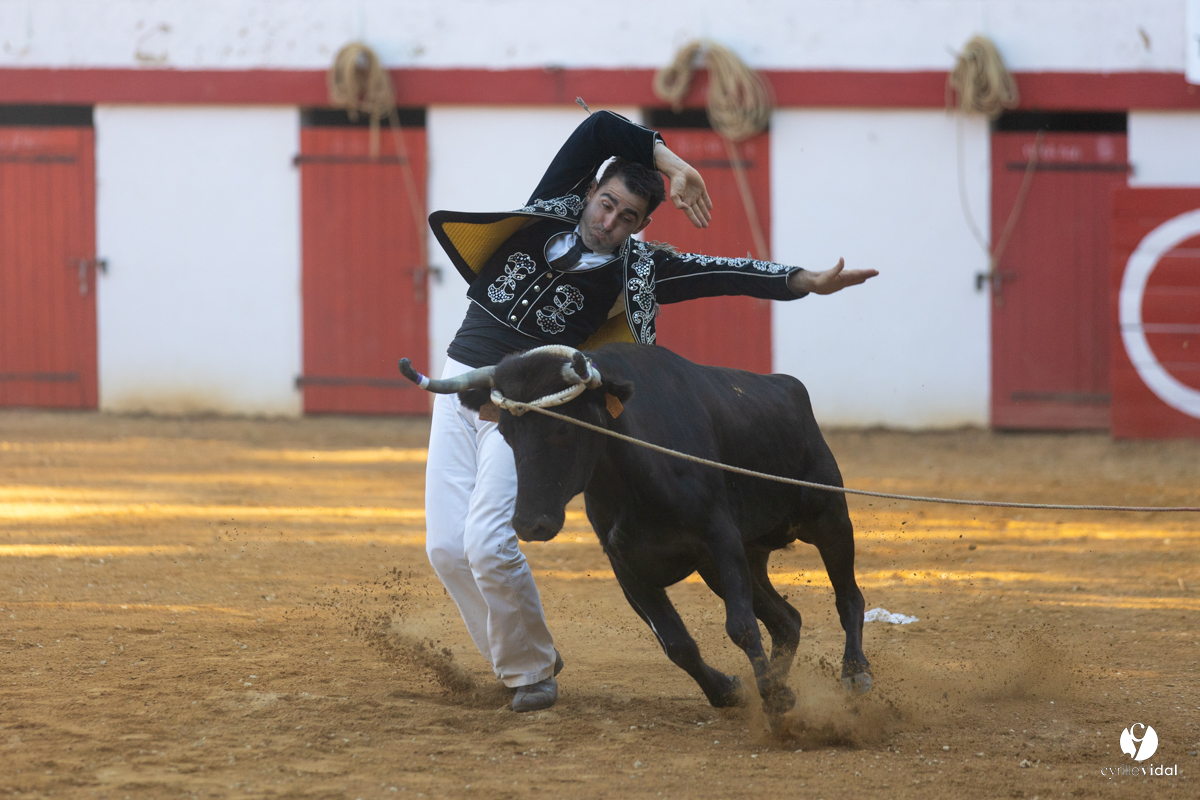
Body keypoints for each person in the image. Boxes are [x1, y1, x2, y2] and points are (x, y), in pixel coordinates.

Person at [422, 110, 876, 712]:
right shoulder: (548, 209)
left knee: (485, 542)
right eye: (605, 204)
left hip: (537, 409)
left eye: (626, 217)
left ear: (641, 226)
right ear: (590, 193)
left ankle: (529, 672)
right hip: (465, 385)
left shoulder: (638, 270)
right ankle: (527, 653)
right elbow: (598, 129)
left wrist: (803, 280)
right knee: (445, 549)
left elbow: (725, 272)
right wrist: (676, 165)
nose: (608, 222)